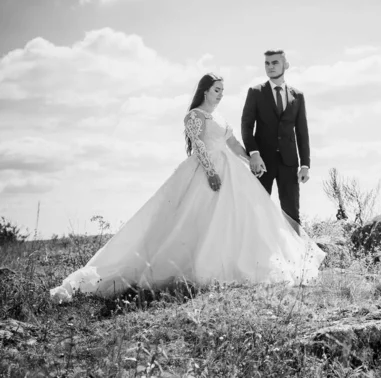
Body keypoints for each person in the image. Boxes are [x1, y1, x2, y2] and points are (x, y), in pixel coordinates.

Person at [50, 73, 325, 303]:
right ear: (205, 91)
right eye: (217, 90)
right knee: (193, 220)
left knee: (239, 220)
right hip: (205, 172)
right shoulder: (194, 116)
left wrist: (253, 159)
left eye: (223, 91)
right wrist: (211, 172)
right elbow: (199, 145)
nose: (220, 95)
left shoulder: (221, 119)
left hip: (232, 172)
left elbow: (232, 145)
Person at [241, 50, 310, 231]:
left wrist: (305, 164)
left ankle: (296, 255)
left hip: (289, 161)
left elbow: (302, 132)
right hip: (262, 161)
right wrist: (254, 154)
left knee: (291, 210)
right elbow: (246, 126)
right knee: (257, 208)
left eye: (274, 63)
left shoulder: (298, 96)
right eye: (267, 63)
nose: (270, 66)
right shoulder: (255, 92)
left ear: (285, 65)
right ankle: (256, 251)